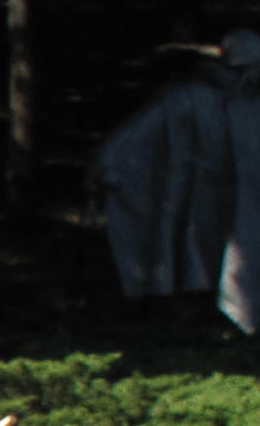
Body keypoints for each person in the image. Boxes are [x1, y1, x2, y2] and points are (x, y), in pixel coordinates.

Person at [90, 30, 260, 322]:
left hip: (246, 196)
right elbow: (140, 137)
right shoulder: (189, 98)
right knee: (194, 256)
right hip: (201, 194)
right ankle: (194, 312)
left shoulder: (248, 105)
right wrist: (108, 167)